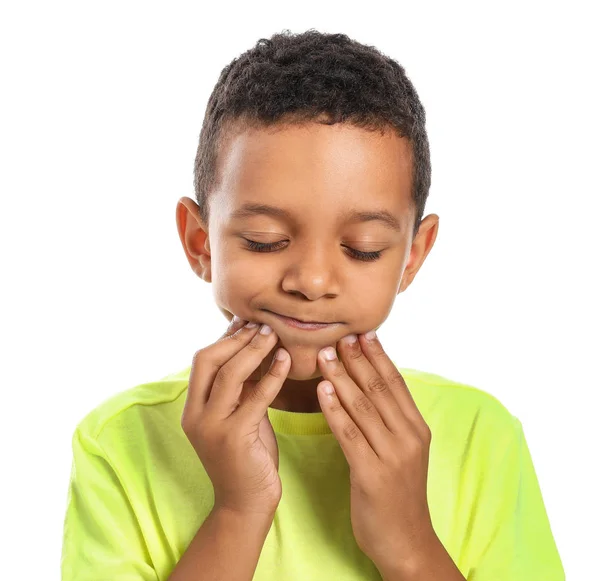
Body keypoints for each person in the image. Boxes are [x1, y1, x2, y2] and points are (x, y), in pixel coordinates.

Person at [60, 29, 565, 580]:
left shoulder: (480, 436)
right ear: (200, 242)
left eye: (362, 250)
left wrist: (410, 543)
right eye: (264, 239)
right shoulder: (118, 442)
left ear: (412, 257)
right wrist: (238, 510)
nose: (312, 280)